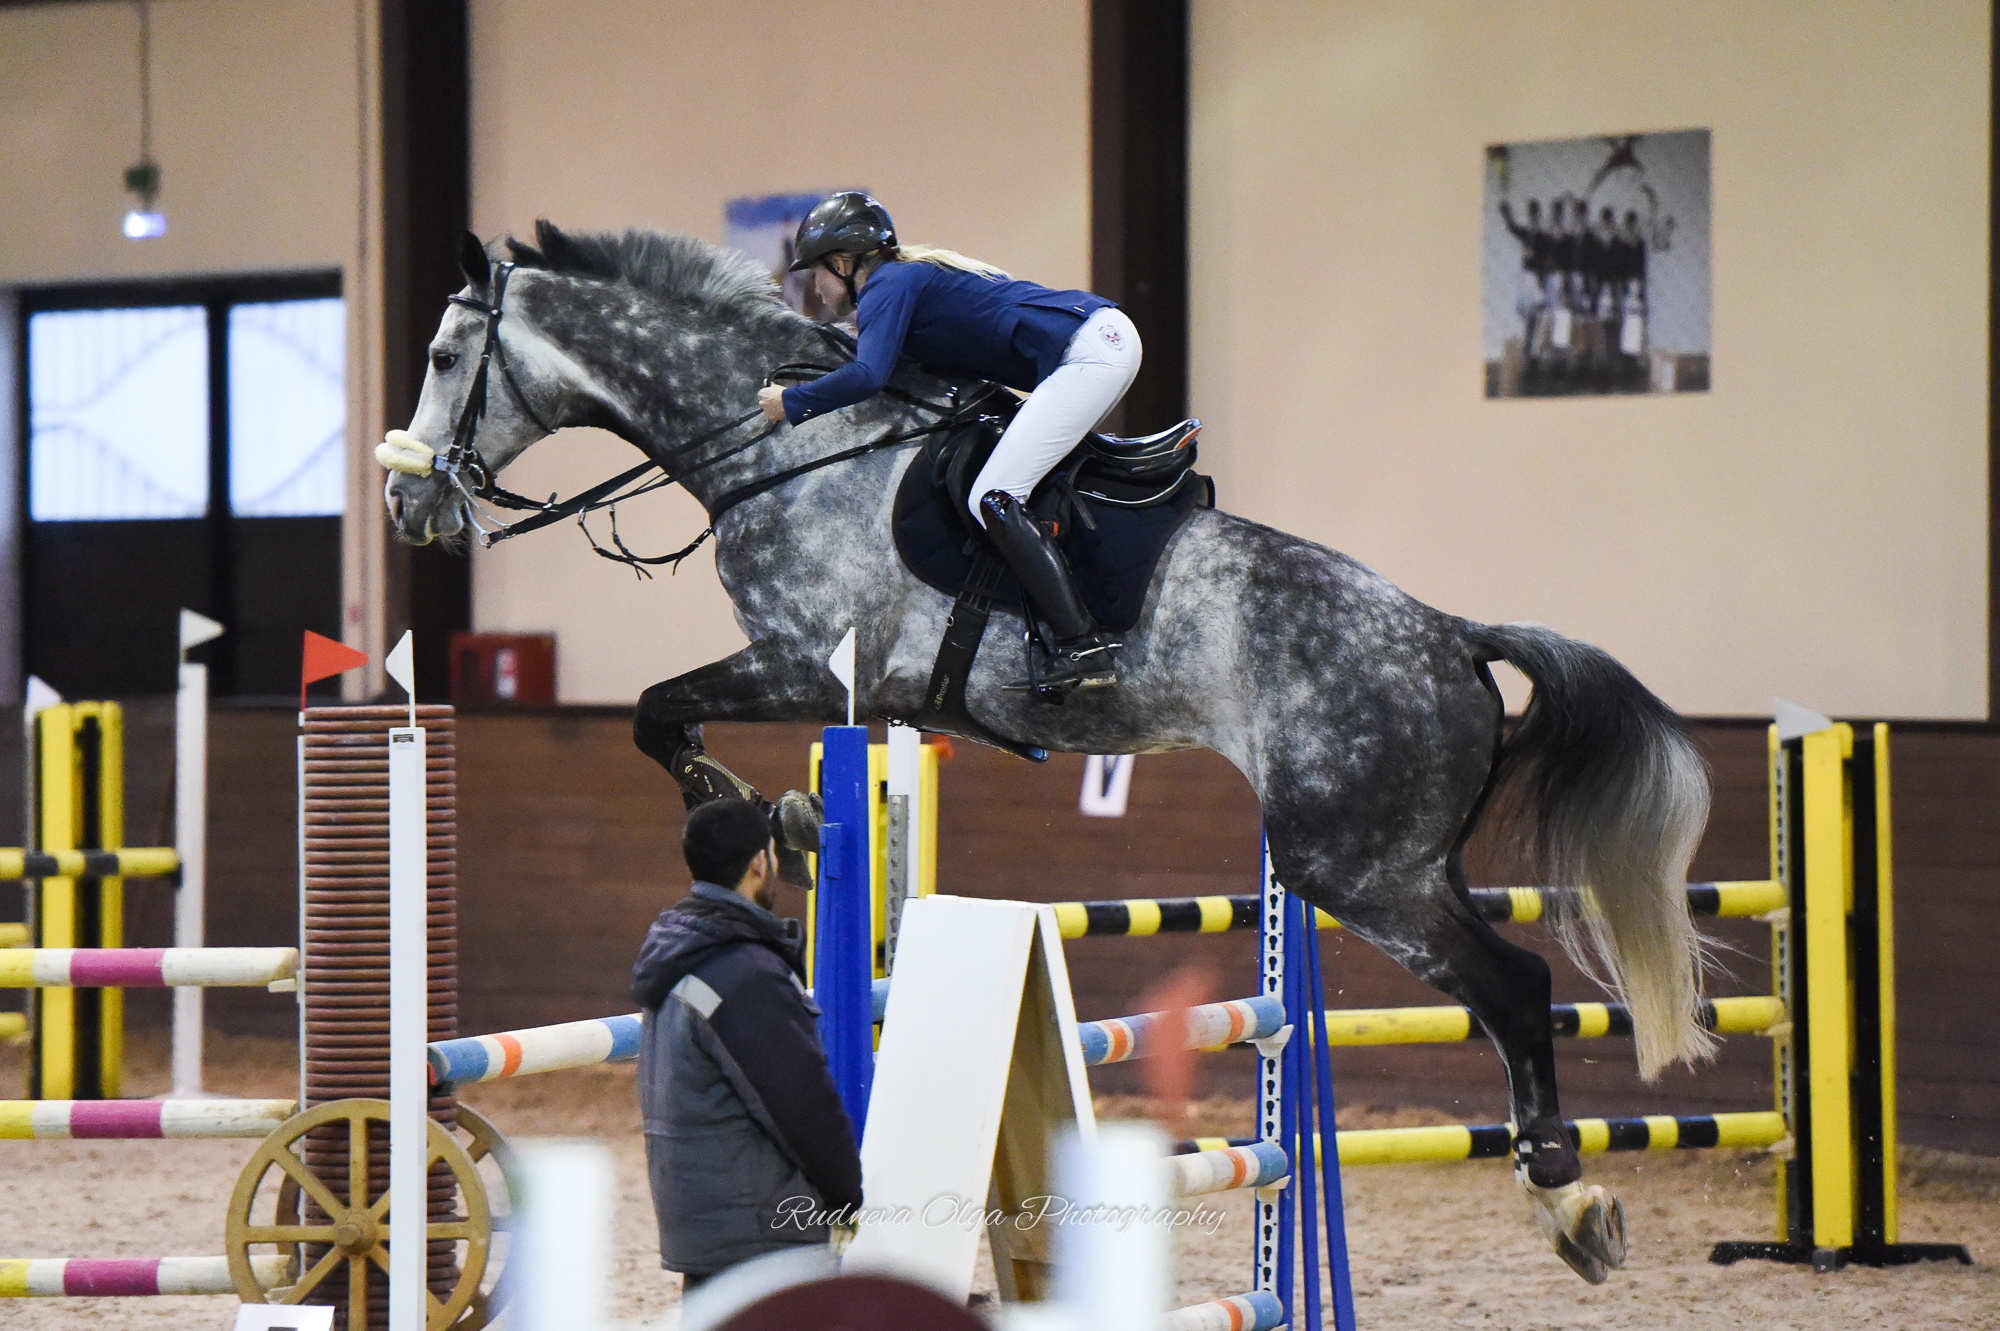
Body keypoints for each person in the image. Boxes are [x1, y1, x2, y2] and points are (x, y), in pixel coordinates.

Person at [756, 190, 1145, 695]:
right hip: (1098, 342)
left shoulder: (888, 284)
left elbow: (869, 374)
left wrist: (793, 401)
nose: (817, 289)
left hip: (1092, 353)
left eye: (817, 274)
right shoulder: (900, 282)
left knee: (994, 496)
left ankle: (1083, 645)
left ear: (844, 264)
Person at [630, 798, 863, 1295]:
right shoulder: (746, 973)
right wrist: (846, 1195)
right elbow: (800, 1103)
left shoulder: (677, 953)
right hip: (763, 1234)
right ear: (761, 861)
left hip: (704, 1224)